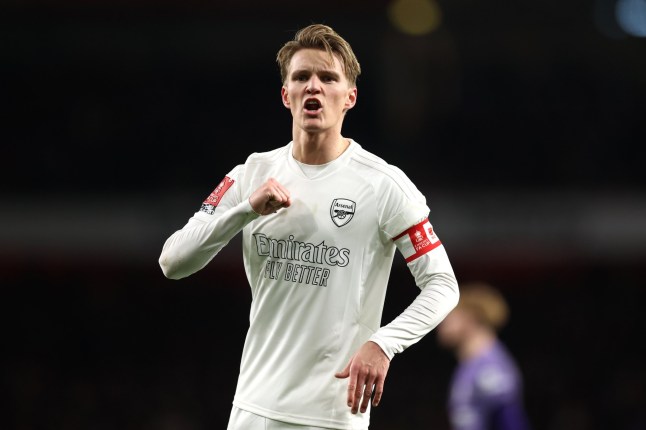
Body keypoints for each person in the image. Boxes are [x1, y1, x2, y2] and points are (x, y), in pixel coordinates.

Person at [158, 23, 459, 430]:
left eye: (328, 78)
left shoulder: (384, 185)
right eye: (301, 77)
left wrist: (384, 344)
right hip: (254, 407)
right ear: (287, 95)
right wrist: (246, 209)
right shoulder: (251, 174)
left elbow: (443, 285)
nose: (313, 87)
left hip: (333, 414)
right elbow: (173, 261)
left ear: (349, 97)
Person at [436, 281, 531, 430]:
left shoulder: (492, 367)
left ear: (470, 318)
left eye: (448, 316)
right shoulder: (468, 367)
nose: (440, 322)